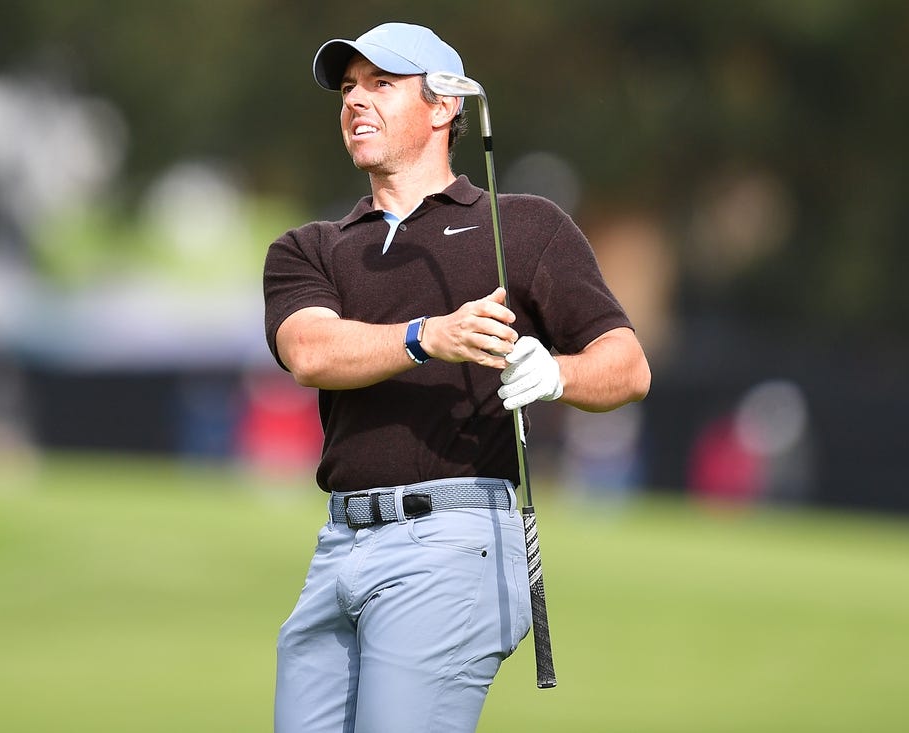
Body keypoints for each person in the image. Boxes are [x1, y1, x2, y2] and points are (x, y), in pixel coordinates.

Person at [262, 21, 651, 733]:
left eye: (382, 84)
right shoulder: (309, 247)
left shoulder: (523, 227)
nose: (355, 101)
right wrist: (427, 336)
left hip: (452, 540)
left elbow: (626, 366)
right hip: (338, 546)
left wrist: (555, 372)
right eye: (348, 89)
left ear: (444, 106)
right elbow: (310, 352)